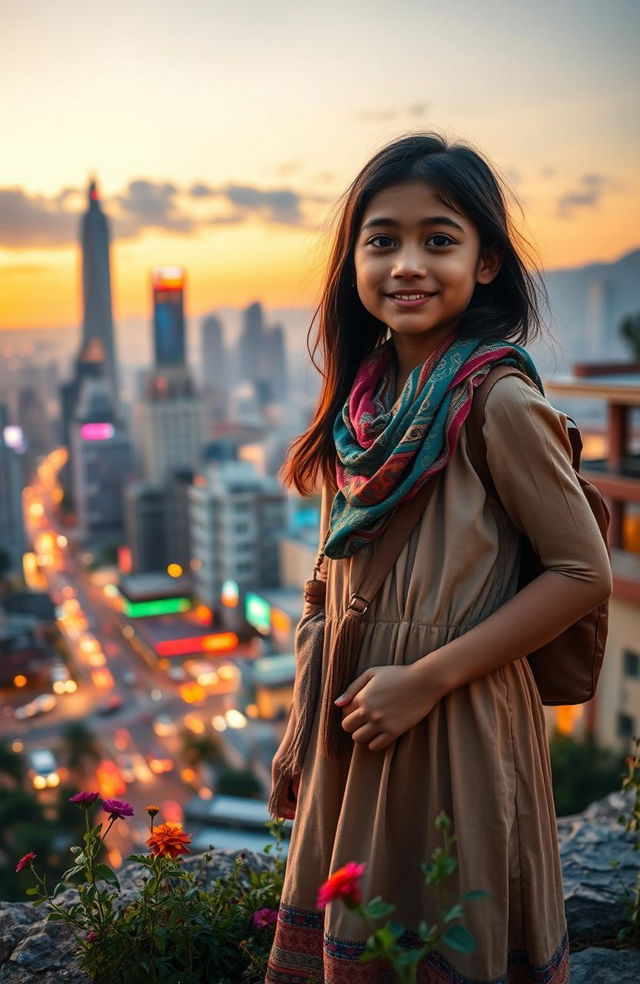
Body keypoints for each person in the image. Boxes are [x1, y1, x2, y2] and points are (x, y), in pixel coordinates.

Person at [265, 133, 612, 984]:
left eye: (439, 239)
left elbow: (582, 574)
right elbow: (324, 585)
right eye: (382, 240)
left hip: (451, 718)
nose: (407, 264)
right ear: (352, 261)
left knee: (439, 939)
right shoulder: (362, 410)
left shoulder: (498, 402)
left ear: (486, 262)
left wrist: (424, 680)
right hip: (355, 719)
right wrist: (300, 727)